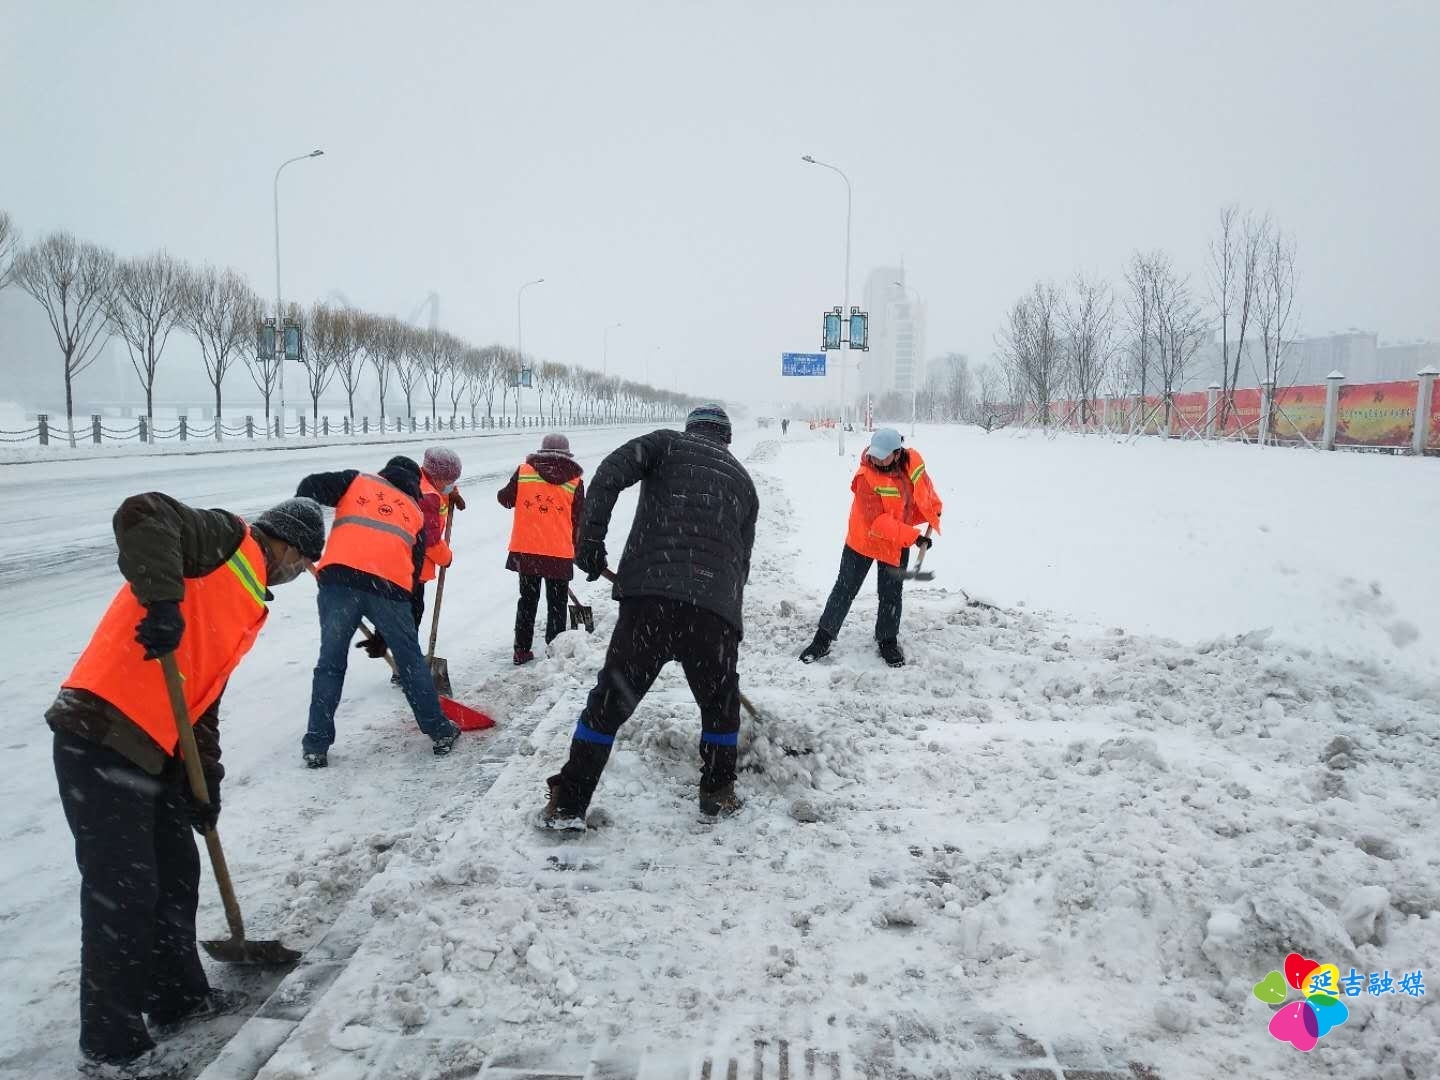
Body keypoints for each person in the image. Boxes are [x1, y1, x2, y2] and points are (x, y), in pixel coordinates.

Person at [48, 493, 325, 1079]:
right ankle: (110, 1045)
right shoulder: (226, 540)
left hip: (157, 749)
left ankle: (176, 995)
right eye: (300, 563)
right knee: (122, 893)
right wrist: (163, 603)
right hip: (101, 729)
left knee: (176, 875)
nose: (297, 575)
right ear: (285, 543)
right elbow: (144, 512)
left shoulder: (250, 604)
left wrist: (206, 784)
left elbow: (201, 703)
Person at [539, 404, 758, 829]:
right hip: (712, 611)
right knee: (720, 705)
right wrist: (724, 617)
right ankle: (717, 792)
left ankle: (568, 802)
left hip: (650, 604)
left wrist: (590, 539)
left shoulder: (665, 443)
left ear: (691, 429)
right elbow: (741, 563)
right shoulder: (744, 483)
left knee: (609, 703)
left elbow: (606, 475)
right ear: (726, 439)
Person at [296, 456, 461, 767]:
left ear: (386, 472)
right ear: (414, 483)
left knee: (330, 664)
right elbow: (411, 579)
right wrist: (387, 633)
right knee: (411, 663)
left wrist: (306, 538)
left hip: (338, 581)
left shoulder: (357, 480)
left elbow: (309, 486)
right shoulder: (414, 511)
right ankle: (439, 731)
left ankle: (316, 744)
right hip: (390, 589)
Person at [799, 427, 943, 668]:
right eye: (875, 454)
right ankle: (822, 639)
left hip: (896, 541)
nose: (877, 459)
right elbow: (878, 522)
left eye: (884, 455)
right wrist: (915, 537)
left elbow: (925, 489)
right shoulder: (866, 477)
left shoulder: (912, 465)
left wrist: (934, 509)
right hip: (863, 540)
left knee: (891, 593)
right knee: (844, 589)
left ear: (897, 454)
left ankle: (887, 640)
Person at [497, 433, 585, 665]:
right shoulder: (575, 480)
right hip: (558, 552)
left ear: (541, 452)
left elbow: (505, 500)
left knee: (527, 600)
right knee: (557, 604)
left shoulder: (524, 471)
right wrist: (575, 548)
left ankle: (521, 650)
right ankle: (553, 650)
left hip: (527, 550)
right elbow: (579, 520)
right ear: (567, 455)